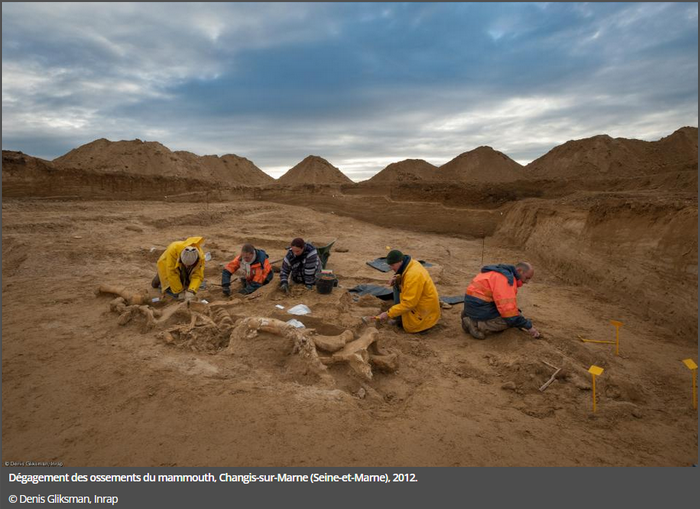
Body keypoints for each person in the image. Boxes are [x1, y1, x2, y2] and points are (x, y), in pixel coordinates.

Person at [461, 262, 540, 340]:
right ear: (519, 271)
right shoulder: (506, 280)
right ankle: (476, 324)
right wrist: (528, 326)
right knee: (509, 322)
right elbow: (509, 315)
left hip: (472, 305)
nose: (526, 282)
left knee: (516, 315)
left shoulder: (498, 272)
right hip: (479, 307)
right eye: (527, 278)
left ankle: (470, 315)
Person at [377, 249, 440, 333]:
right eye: (390, 265)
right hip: (425, 305)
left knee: (405, 302)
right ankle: (400, 317)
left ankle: (401, 320)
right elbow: (405, 275)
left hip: (422, 317)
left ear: (400, 261)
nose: (391, 268)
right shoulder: (411, 263)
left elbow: (409, 304)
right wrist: (397, 277)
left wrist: (388, 313)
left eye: (392, 265)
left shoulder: (413, 276)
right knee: (397, 284)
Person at [151, 236, 205, 302]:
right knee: (168, 286)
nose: (187, 266)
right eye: (185, 264)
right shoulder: (173, 249)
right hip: (166, 264)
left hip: (180, 266)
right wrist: (179, 292)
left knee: (191, 283)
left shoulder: (200, 257)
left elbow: (198, 275)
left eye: (189, 265)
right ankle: (158, 279)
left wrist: (191, 290)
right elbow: (172, 273)